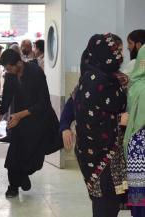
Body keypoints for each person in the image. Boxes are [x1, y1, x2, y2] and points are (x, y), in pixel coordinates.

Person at [73, 33, 128, 217]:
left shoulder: (100, 76)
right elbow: (90, 116)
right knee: (105, 201)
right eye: (115, 52)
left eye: (120, 51)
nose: (120, 56)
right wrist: (119, 119)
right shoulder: (97, 79)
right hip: (100, 151)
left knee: (108, 200)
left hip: (99, 150)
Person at [0, 49, 59, 198]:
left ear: (19, 63)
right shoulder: (11, 76)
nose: (7, 71)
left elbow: (43, 102)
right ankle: (13, 187)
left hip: (39, 119)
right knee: (14, 154)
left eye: (9, 67)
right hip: (20, 121)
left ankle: (23, 174)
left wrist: (20, 115)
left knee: (34, 157)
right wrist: (0, 114)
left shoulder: (35, 73)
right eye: (5, 68)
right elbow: (6, 96)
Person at [121, 45, 145, 217]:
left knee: (138, 194)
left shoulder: (134, 84)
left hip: (136, 147)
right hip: (140, 147)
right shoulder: (140, 87)